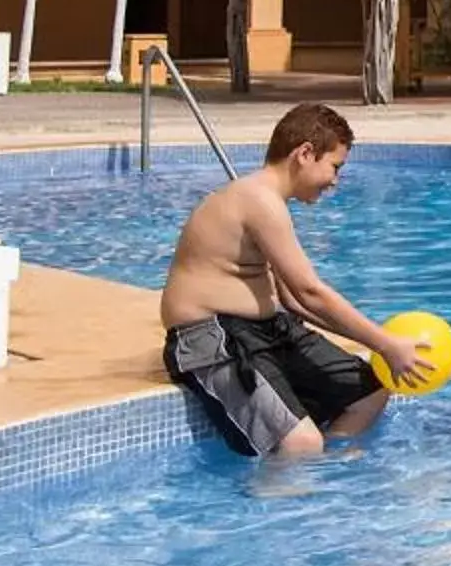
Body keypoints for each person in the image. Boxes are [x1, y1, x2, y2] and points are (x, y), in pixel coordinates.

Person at [160, 102, 431, 458]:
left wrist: (375, 342)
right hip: (209, 336)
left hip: (266, 329)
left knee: (371, 392)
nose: (335, 181)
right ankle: (287, 493)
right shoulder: (258, 201)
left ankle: (326, 475)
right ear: (305, 153)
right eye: (335, 167)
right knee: (301, 442)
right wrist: (385, 344)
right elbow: (310, 291)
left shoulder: (269, 203)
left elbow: (294, 300)